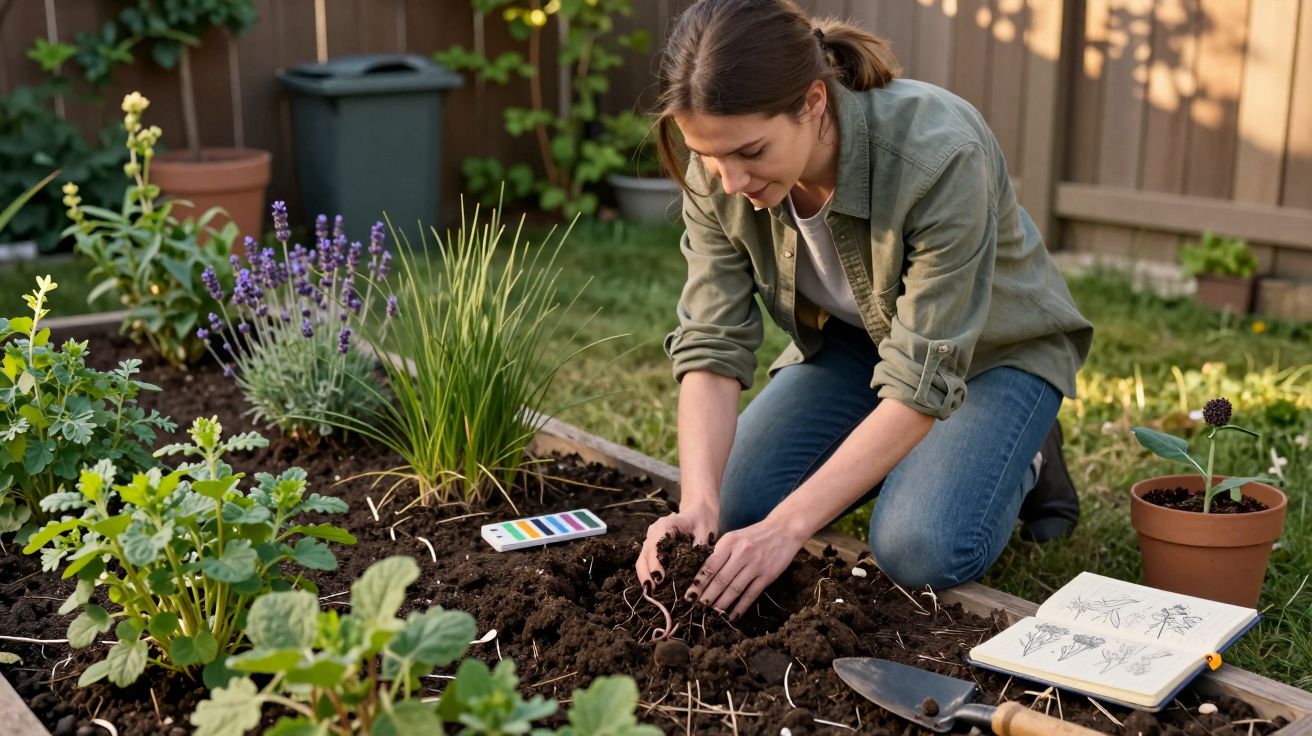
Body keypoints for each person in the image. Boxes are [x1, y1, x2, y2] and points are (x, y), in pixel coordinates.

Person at [632, 0, 1094, 623]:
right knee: (738, 509)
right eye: (710, 156)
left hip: (994, 351)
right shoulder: (720, 162)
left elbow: (920, 376)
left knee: (917, 546)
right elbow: (712, 342)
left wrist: (791, 527)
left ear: (814, 103)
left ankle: (1025, 448)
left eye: (751, 152)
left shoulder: (939, 154)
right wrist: (698, 505)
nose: (730, 179)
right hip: (858, 346)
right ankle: (931, 454)